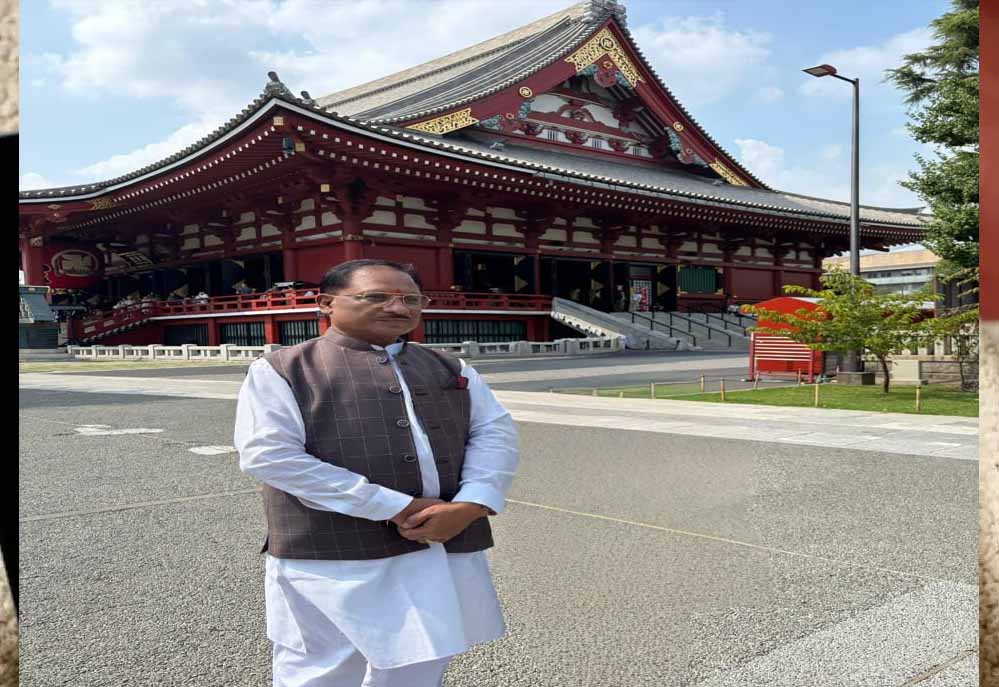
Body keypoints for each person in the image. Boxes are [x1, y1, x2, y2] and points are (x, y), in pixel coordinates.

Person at [234, 258, 519, 687]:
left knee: (423, 657)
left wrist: (472, 503)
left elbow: (494, 433)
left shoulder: (450, 367)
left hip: (441, 538)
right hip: (333, 548)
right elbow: (269, 456)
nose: (398, 308)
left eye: (411, 299)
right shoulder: (283, 369)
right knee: (324, 666)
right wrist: (393, 506)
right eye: (377, 297)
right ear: (326, 303)